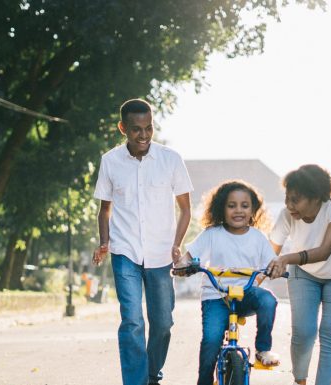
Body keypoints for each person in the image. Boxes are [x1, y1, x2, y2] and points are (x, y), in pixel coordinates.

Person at [92, 98, 193, 385]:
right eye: (136, 129)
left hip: (161, 253)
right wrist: (104, 242)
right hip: (125, 251)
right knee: (133, 321)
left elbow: (186, 209)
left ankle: (151, 376)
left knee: (162, 323)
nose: (144, 135)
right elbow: (105, 209)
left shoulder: (170, 159)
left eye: (149, 128)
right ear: (123, 128)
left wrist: (177, 243)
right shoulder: (110, 162)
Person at [266, 164, 331, 385]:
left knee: (330, 335)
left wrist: (287, 259)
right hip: (304, 274)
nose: (289, 206)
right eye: (287, 198)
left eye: (295, 200)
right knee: (304, 332)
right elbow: (269, 256)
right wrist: (250, 282)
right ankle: (300, 381)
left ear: (316, 197)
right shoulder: (287, 215)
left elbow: (325, 251)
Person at [180, 180, 280, 385]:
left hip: (245, 293)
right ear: (221, 209)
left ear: (253, 210)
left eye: (245, 205)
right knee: (211, 341)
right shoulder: (212, 234)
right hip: (216, 296)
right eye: (231, 205)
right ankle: (204, 381)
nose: (238, 210)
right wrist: (182, 265)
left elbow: (271, 262)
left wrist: (276, 268)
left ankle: (262, 349)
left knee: (268, 300)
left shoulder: (258, 237)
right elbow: (188, 257)